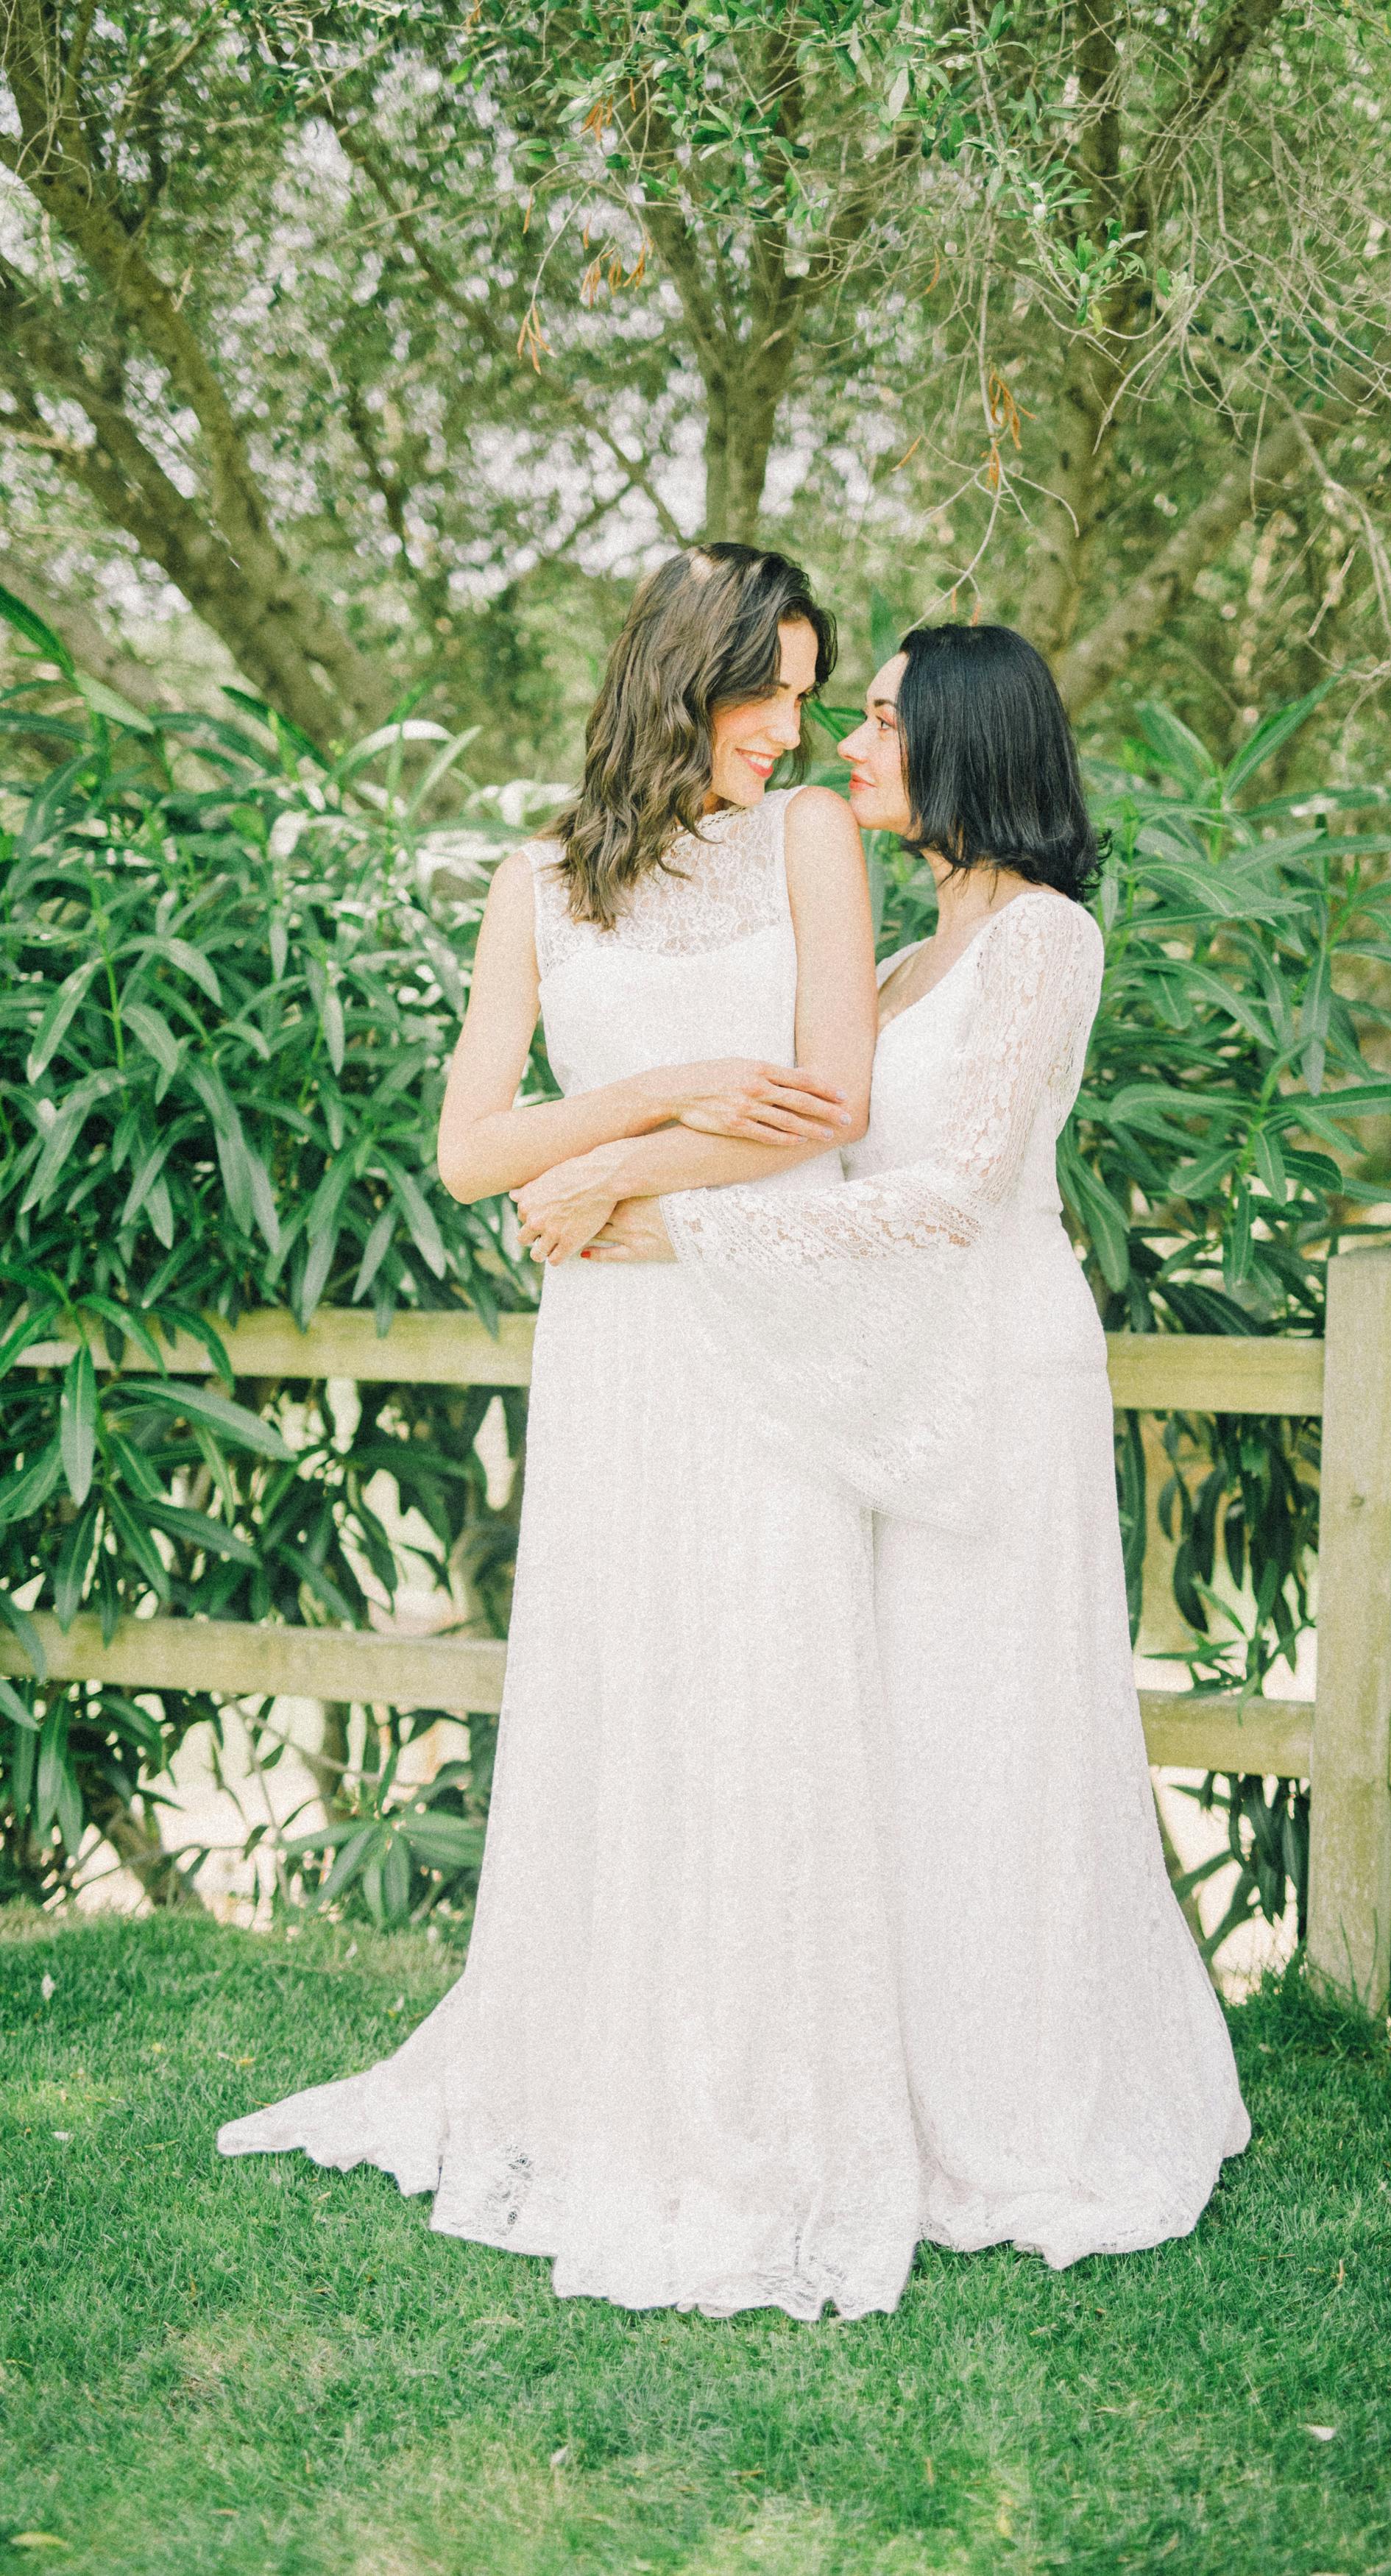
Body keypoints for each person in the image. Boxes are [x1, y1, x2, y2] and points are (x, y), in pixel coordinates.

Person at [220, 544, 927, 2323]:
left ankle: (764, 2085)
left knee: (767, 1679)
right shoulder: (535, 879)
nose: (791, 727)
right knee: (629, 1680)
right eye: (761, 690)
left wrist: (615, 1171)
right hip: (613, 1347)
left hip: (754, 1304)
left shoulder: (813, 847)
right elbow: (472, 1148)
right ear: (674, 685)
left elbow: (831, 1101)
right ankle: (599, 2060)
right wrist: (657, 1097)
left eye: (806, 690)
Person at [585, 623, 1250, 2265]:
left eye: (877, 718)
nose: (845, 745)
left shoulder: (1042, 944)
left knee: (992, 1734)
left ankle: (1020, 2108)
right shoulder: (899, 967)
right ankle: (894, 2089)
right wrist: (621, 1151)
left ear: (962, 742)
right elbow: (816, 1151)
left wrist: (675, 1235)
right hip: (889, 1387)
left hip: (1002, 1380)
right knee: (899, 1744)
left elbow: (950, 1200)